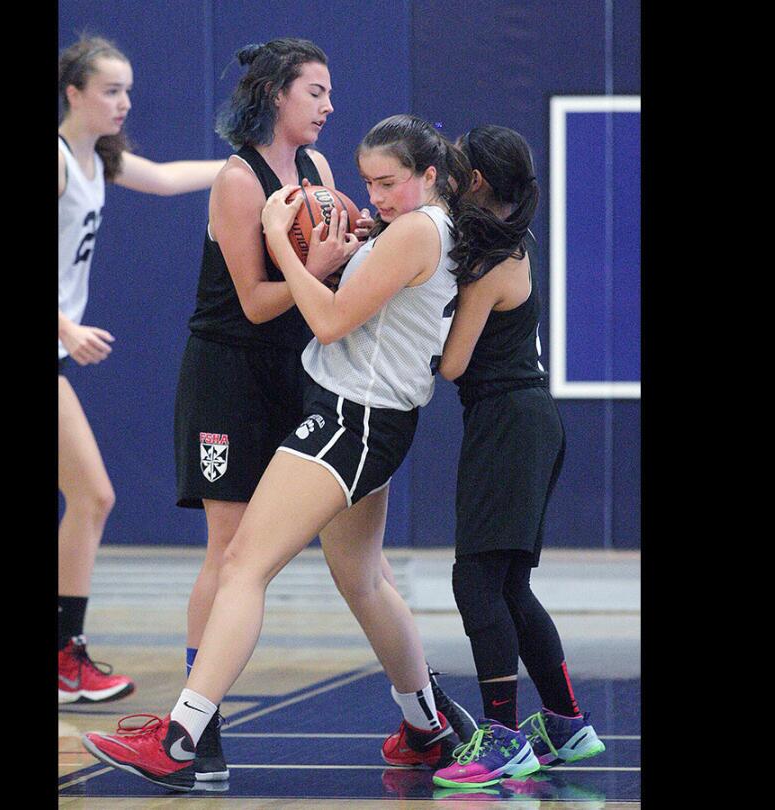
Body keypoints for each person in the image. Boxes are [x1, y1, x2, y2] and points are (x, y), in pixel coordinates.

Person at [82, 114, 475, 792]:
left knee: (241, 565)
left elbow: (324, 318)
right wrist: (357, 240)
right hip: (370, 421)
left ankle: (181, 736)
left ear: (430, 176)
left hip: (351, 421)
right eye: (368, 184)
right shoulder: (422, 229)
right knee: (364, 581)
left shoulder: (416, 229)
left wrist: (282, 245)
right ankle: (425, 724)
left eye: (390, 182)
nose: (376, 196)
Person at [427, 125, 606, 789]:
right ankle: (564, 721)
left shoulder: (489, 263)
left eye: (454, 167)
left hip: (509, 424)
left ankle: (502, 738)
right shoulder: (508, 242)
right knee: (508, 584)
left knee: (475, 581)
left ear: (475, 181)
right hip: (529, 422)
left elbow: (452, 365)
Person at [57, 34, 225, 705]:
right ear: (74, 93)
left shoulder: (98, 158)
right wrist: (65, 324)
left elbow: (164, 178)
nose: (124, 102)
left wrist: (246, 167)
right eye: (110, 90)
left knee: (93, 498)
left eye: (127, 89)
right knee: (94, 496)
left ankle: (67, 656)